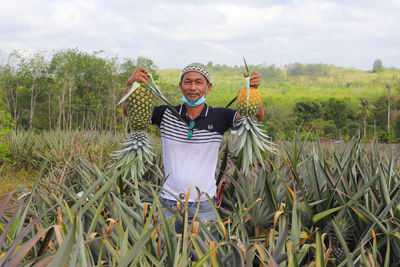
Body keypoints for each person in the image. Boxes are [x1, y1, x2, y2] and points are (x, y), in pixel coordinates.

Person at [123, 62, 264, 232]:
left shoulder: (220, 116)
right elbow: (129, 111)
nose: (193, 87)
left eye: (199, 82)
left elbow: (255, 117)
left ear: (208, 87)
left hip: (203, 204)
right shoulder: (166, 113)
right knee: (166, 254)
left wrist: (253, 91)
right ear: (181, 86)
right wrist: (130, 84)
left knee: (203, 254)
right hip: (168, 202)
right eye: (188, 82)